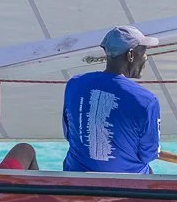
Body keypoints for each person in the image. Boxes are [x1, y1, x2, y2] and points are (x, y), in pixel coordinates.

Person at [62, 26, 162, 173]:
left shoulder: (74, 84)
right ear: (130, 55)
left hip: (77, 181)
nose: (145, 57)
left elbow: (69, 134)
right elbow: (149, 154)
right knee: (150, 171)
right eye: (143, 52)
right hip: (124, 187)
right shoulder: (147, 101)